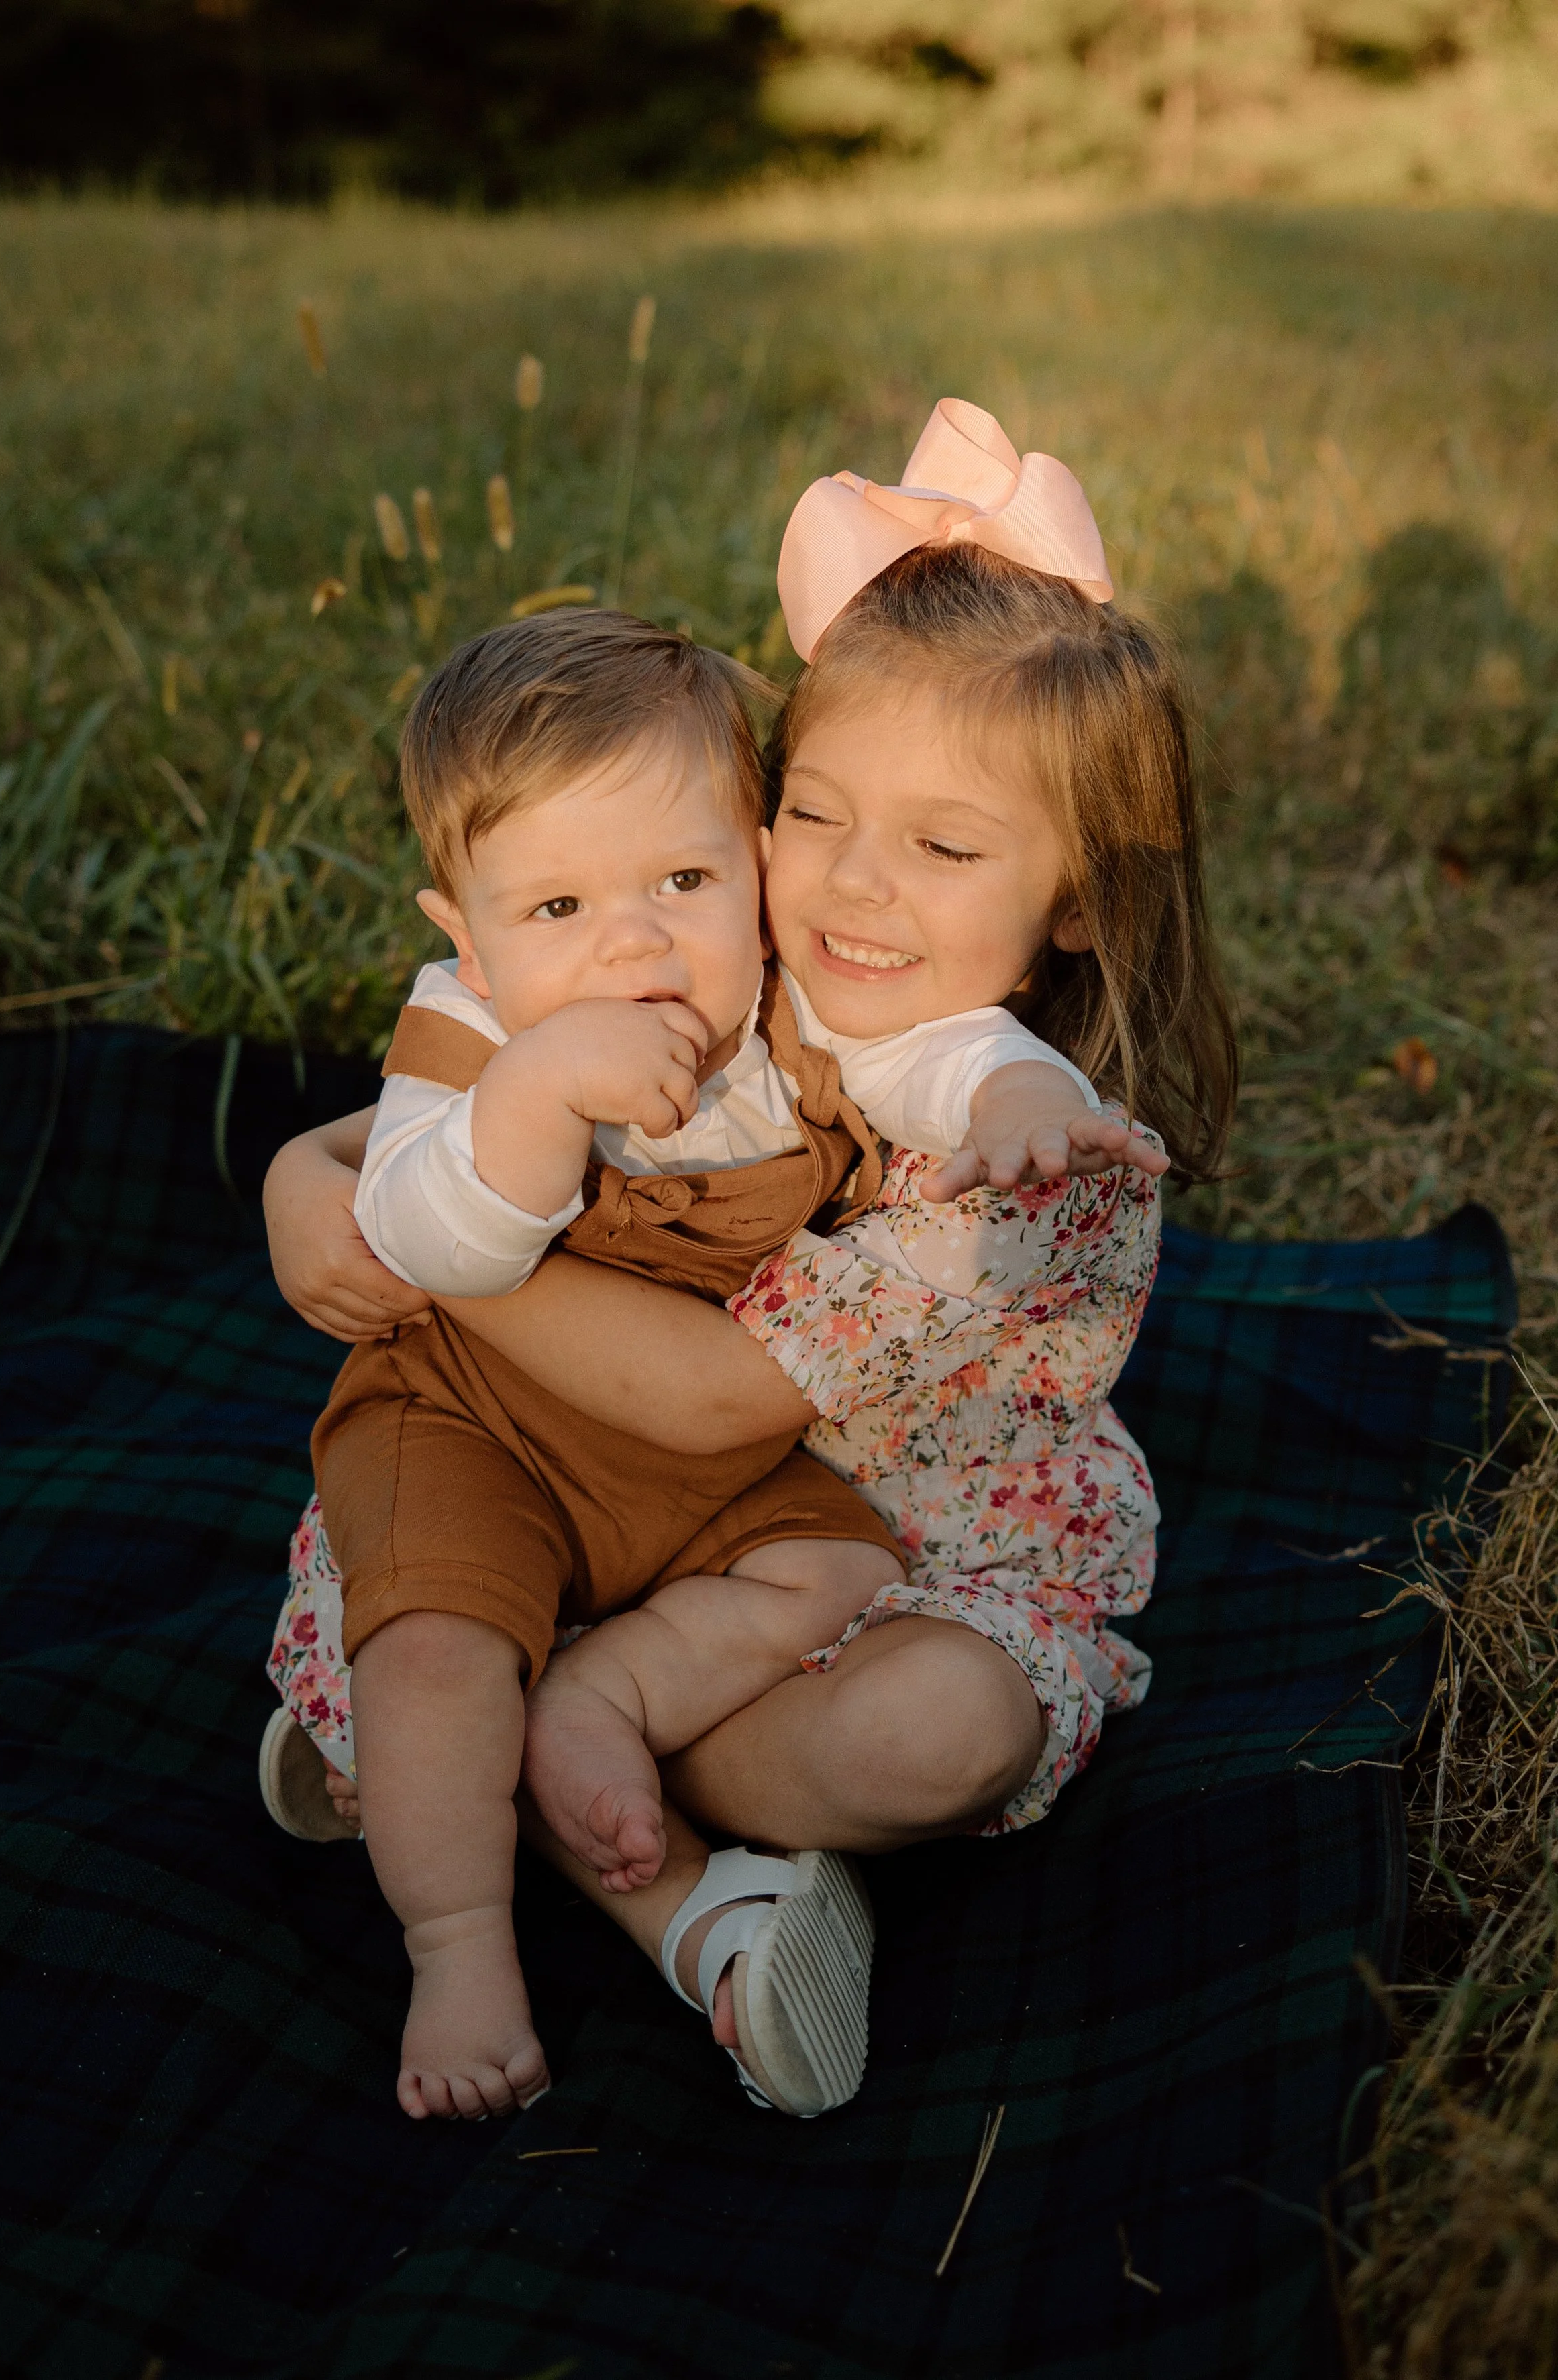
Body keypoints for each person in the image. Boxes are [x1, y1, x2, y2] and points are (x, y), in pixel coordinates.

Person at [263, 397, 1237, 2128]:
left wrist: (1019, 1081)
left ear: (1079, 901)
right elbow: (426, 1105)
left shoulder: (1028, 1153)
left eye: (941, 848)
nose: (855, 891)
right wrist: (300, 1167)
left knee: (937, 1734)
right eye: (814, 813)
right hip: (605, 1484)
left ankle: (554, 1743)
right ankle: (607, 1872)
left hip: (860, 1542)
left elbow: (739, 1365)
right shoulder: (740, 958)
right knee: (438, 1619)